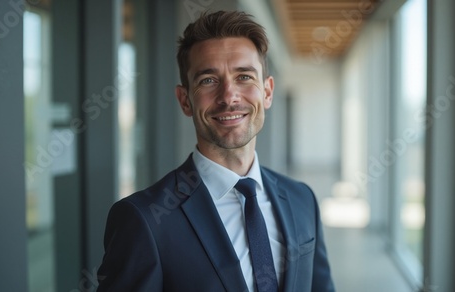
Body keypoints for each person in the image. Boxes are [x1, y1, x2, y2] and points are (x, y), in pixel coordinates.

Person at [97, 10, 335, 292]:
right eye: (208, 80)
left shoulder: (302, 199)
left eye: (244, 76)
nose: (229, 96)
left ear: (267, 92)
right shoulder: (144, 219)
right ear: (185, 100)